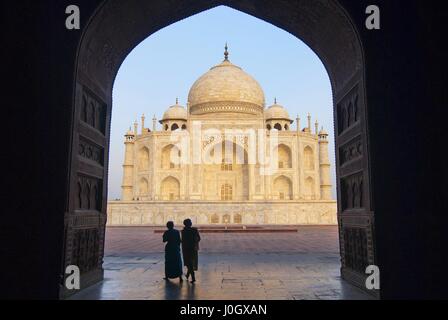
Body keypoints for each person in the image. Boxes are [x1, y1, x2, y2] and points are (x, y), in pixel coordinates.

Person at [181, 218, 201, 283]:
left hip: (186, 249)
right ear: (190, 223)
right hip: (193, 248)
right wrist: (194, 242)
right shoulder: (194, 230)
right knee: (190, 263)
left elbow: (182, 241)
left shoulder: (183, 231)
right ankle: (188, 275)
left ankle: (193, 277)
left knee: (189, 263)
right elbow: (199, 238)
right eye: (190, 222)